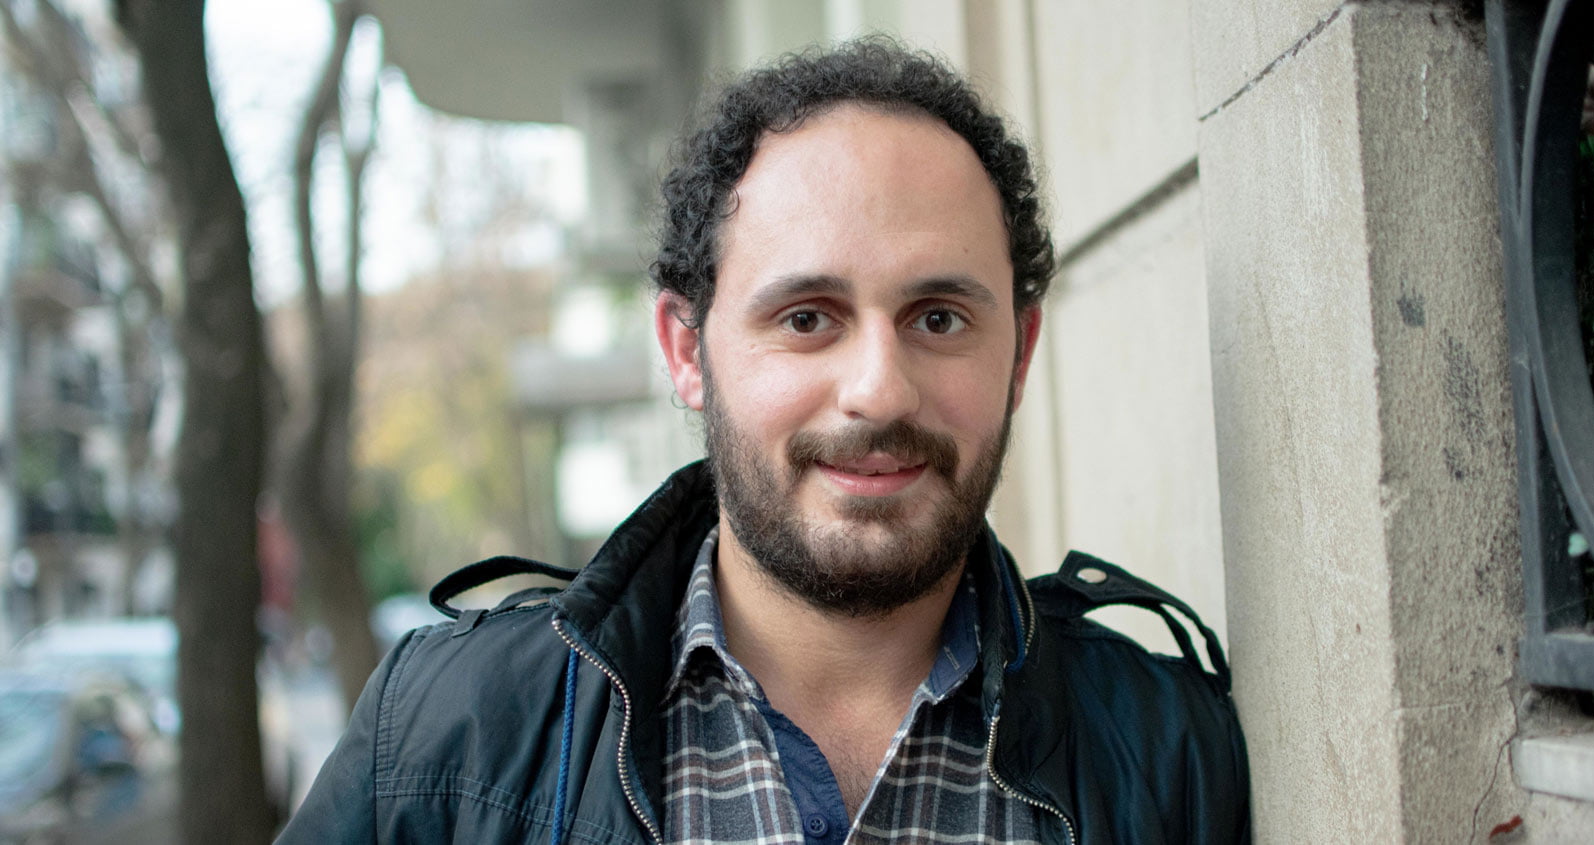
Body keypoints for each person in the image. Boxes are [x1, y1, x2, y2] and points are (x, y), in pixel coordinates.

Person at [279, 39, 1249, 844]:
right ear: (685, 349)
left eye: (939, 317)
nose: (877, 388)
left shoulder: (1169, 747)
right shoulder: (452, 730)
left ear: (1020, 351)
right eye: (807, 318)